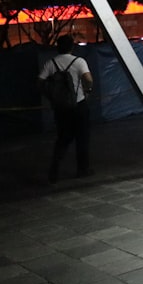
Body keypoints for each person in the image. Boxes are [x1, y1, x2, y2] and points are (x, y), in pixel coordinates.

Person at [38, 34, 94, 182]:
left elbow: (40, 82)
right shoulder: (79, 61)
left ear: (58, 47)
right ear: (72, 47)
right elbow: (88, 79)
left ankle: (54, 170)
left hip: (61, 108)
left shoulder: (50, 63)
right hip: (79, 105)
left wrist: (51, 96)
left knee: (62, 138)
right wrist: (87, 91)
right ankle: (82, 169)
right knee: (82, 138)